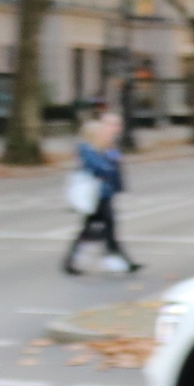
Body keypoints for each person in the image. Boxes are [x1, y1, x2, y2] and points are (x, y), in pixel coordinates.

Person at [64, 111, 139, 275]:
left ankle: (72, 262)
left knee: (96, 230)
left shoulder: (105, 147)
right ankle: (120, 261)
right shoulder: (86, 148)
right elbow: (101, 168)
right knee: (106, 229)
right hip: (96, 195)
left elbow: (115, 169)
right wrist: (110, 166)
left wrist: (118, 185)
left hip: (104, 194)